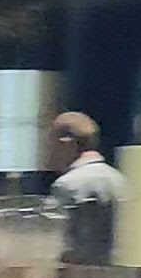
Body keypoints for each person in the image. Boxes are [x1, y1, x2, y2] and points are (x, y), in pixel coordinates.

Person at [48, 111, 128, 265]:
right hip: (119, 271)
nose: (51, 151)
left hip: (80, 273)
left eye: (52, 144)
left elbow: (58, 242)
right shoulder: (120, 180)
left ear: (66, 142)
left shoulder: (67, 185)